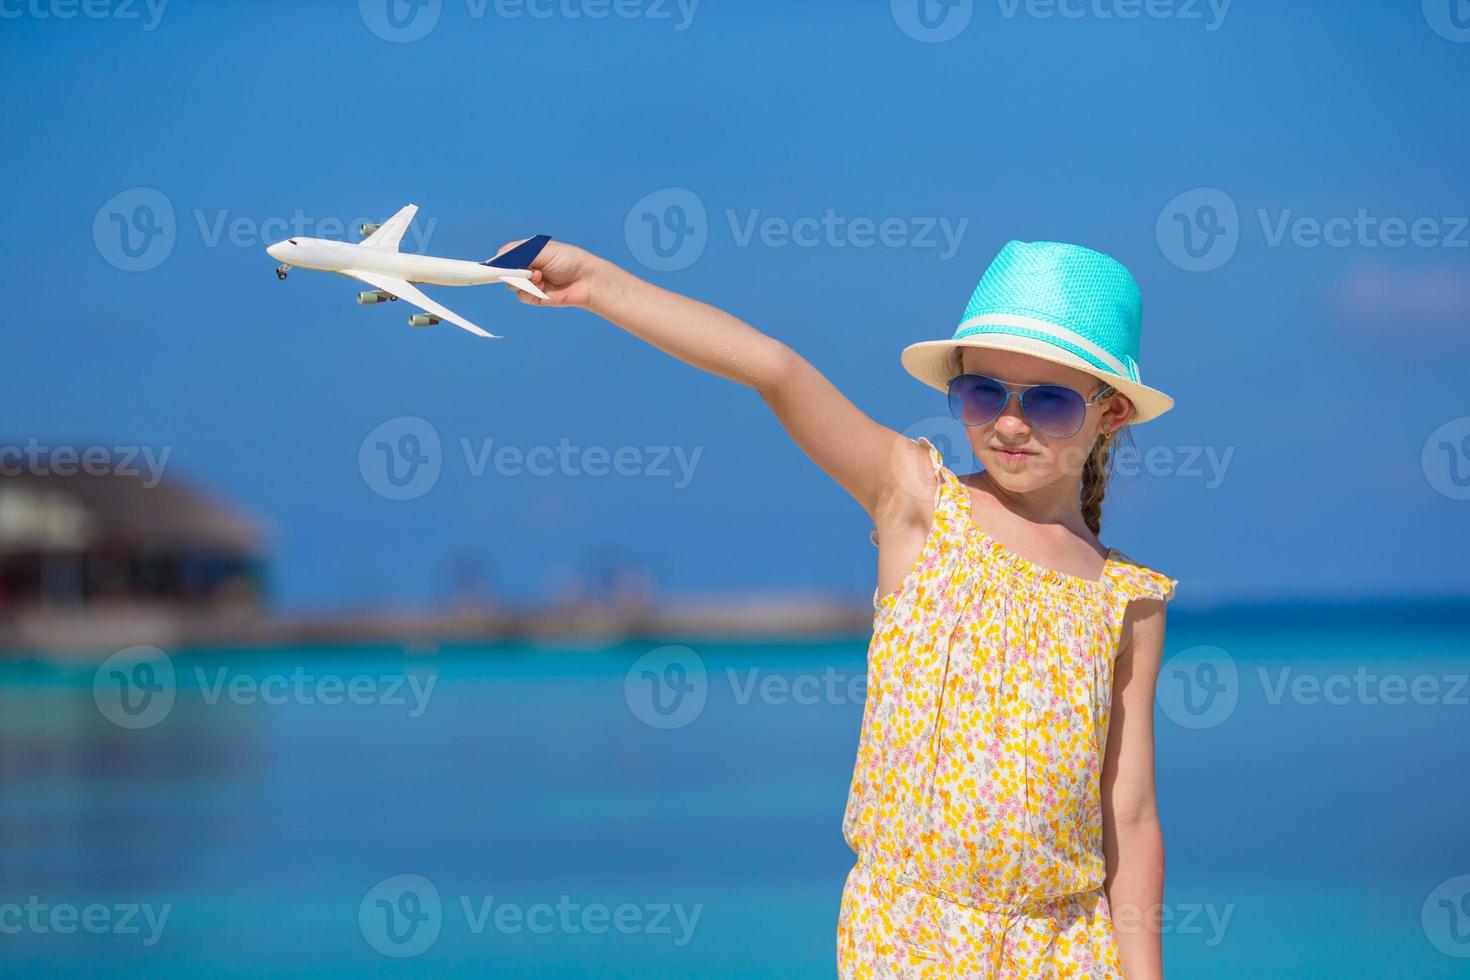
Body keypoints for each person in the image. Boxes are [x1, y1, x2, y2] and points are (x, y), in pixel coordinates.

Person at [503, 236, 1179, 979]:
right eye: (985, 394)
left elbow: (1130, 814)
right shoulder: (918, 502)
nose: (1010, 424)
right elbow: (774, 368)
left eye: (1047, 401)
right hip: (910, 936)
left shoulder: (1128, 598)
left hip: (1068, 949)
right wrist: (597, 281)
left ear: (1111, 413)